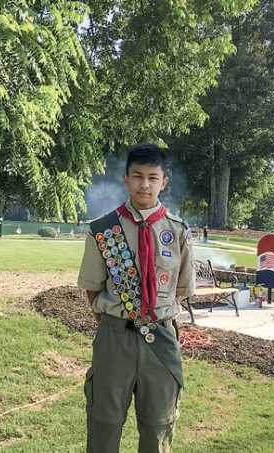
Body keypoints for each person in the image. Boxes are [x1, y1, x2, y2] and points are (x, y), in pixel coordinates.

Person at [77, 144, 195, 453]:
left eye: (152, 178)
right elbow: (92, 288)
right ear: (125, 178)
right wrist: (117, 322)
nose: (145, 184)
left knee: (158, 427)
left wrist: (154, 320)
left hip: (161, 338)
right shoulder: (104, 230)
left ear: (163, 182)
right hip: (115, 337)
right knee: (104, 423)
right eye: (138, 176)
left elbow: (180, 291)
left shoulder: (179, 232)